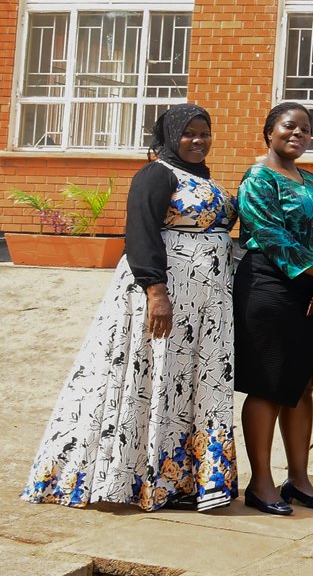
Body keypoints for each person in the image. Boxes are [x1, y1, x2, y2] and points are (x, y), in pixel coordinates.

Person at [24, 105, 238, 512]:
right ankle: (141, 480)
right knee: (155, 378)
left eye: (205, 133)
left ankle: (186, 480)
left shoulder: (203, 179)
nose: (198, 140)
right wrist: (156, 292)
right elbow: (140, 232)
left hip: (206, 309)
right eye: (189, 133)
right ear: (171, 136)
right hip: (165, 298)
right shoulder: (157, 174)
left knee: (186, 387)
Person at [233, 103, 313, 515]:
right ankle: (260, 483)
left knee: (301, 383)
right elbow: (272, 236)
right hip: (270, 285)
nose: (297, 133)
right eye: (289, 126)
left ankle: (299, 479)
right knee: (268, 385)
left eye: (305, 129)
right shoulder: (258, 177)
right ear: (269, 131)